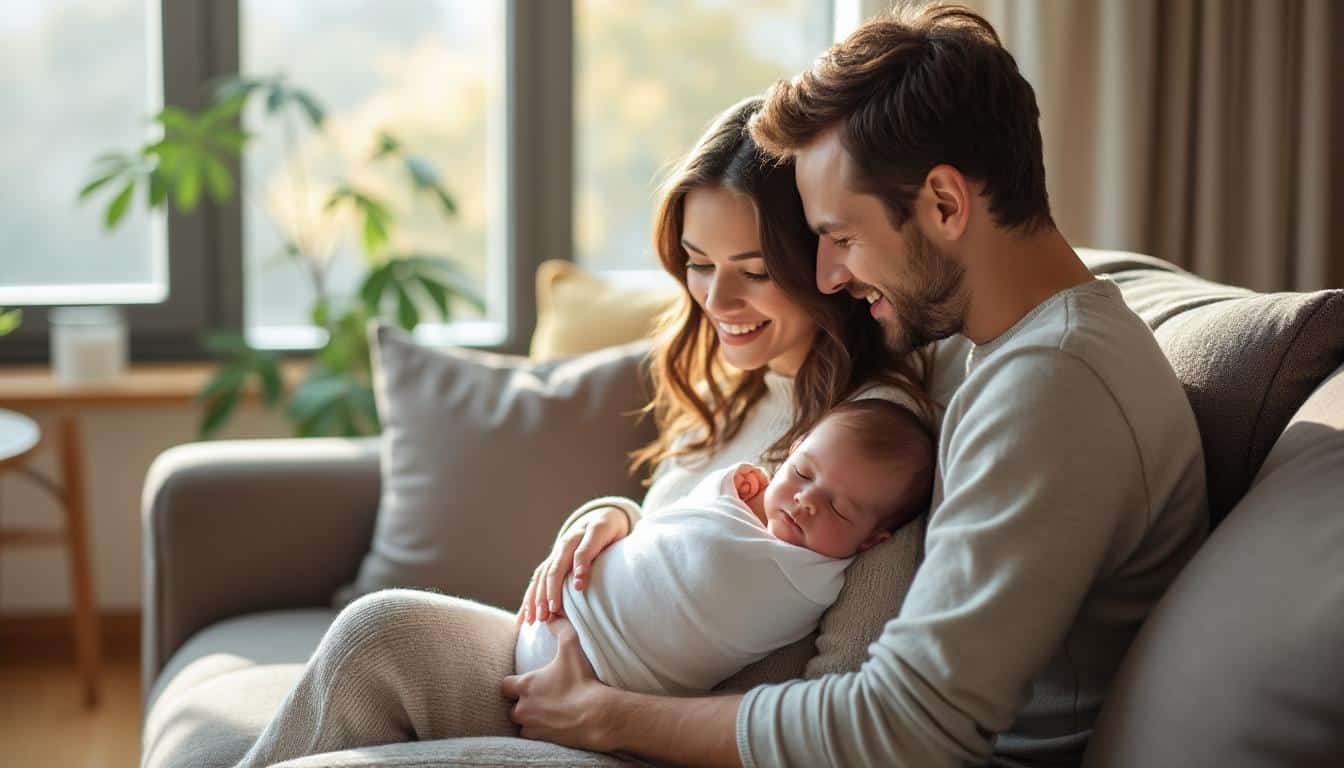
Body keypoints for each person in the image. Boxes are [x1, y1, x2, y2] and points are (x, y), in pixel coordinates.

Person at [501, 5, 1209, 767]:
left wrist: (606, 718)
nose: (831, 274)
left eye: (841, 238)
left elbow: (905, 726)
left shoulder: (1054, 389)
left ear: (944, 203)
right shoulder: (988, 349)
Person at [231, 97, 934, 767]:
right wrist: (612, 516)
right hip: (573, 674)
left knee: (376, 644)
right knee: (378, 632)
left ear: (824, 263)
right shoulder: (738, 385)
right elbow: (686, 550)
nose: (717, 300)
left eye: (753, 271)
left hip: (653, 738)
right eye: (697, 263)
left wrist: (604, 713)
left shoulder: (866, 449)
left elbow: (842, 707)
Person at [515, 398, 934, 696]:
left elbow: (834, 696)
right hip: (552, 608)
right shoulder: (723, 401)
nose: (805, 502)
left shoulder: (822, 578)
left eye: (839, 509)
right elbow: (663, 525)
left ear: (872, 541)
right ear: (792, 450)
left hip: (607, 684)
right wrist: (609, 514)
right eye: (802, 473)